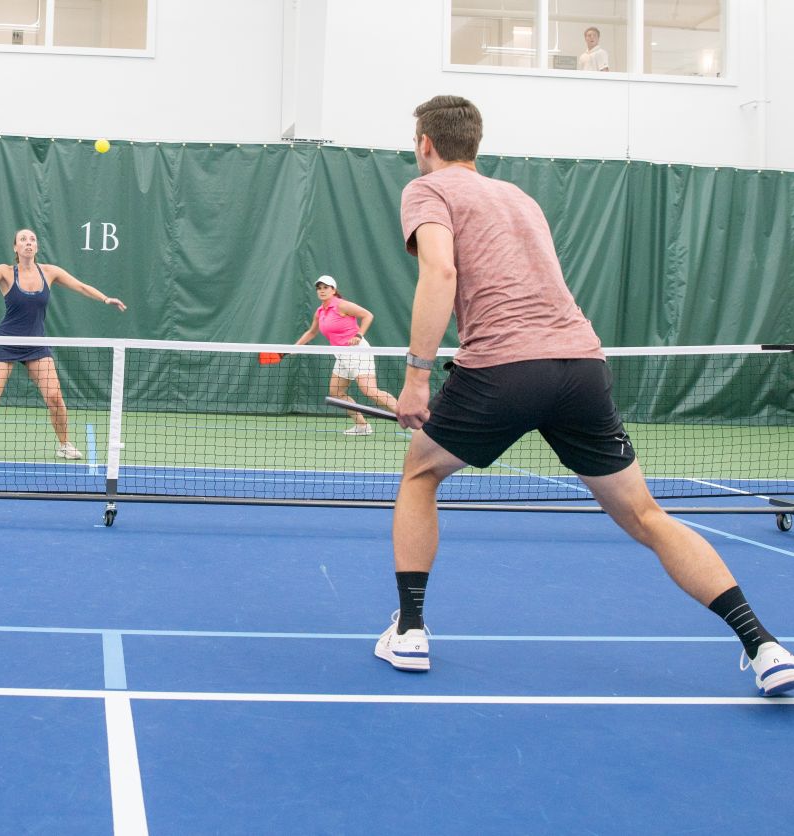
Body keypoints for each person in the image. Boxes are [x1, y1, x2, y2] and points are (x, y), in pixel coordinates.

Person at [374, 95, 794, 697]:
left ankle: (410, 630)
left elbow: (441, 273)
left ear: (425, 144)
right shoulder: (521, 198)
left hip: (503, 366)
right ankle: (765, 646)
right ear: (476, 144)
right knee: (647, 516)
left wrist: (416, 378)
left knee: (419, 474)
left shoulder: (427, 190)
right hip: (580, 365)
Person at [0, 228, 127, 459]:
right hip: (4, 342)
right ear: (15, 247)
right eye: (23, 239)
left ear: (37, 247)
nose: (28, 243)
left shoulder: (50, 272)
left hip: (36, 345)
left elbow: (80, 286)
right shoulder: (5, 272)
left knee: (54, 397)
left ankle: (64, 445)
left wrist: (105, 298)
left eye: (32, 239)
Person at [295, 275, 397, 435]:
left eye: (326, 288)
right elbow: (311, 332)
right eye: (319, 288)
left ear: (333, 290)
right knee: (336, 393)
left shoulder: (342, 305)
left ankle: (412, 420)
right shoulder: (320, 311)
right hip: (341, 356)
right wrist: (295, 348)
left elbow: (368, 315)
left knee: (370, 391)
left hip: (358, 352)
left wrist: (359, 335)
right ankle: (362, 426)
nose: (322, 291)